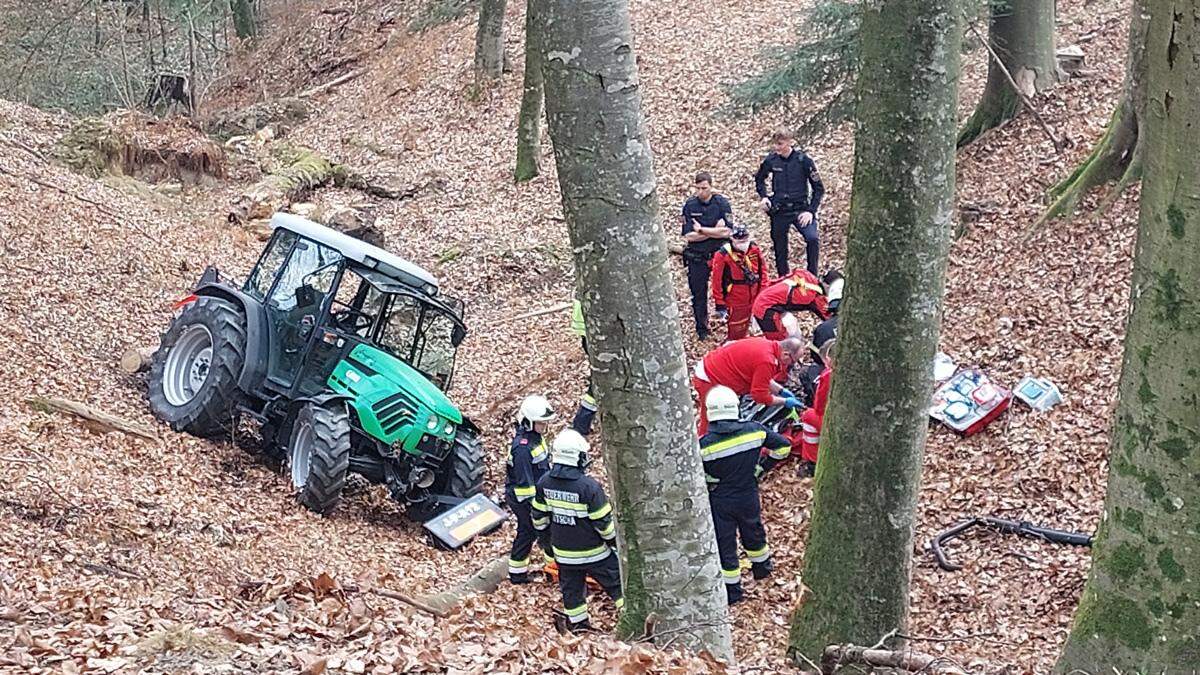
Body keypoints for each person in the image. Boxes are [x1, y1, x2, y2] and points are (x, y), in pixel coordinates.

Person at [699, 386, 791, 604]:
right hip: (748, 492)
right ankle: (762, 570)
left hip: (720, 498)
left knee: (725, 542)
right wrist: (761, 468)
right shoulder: (755, 431)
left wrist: (712, 481)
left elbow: (696, 476)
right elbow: (783, 447)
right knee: (754, 531)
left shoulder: (703, 446)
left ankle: (732, 592)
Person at [532, 429, 623, 632]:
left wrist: (547, 545)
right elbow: (605, 525)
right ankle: (629, 619)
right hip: (595, 553)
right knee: (618, 585)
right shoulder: (589, 488)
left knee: (572, 592)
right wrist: (615, 545)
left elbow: (539, 519)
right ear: (577, 457)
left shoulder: (544, 483)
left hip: (564, 555)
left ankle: (580, 627)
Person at [692, 336, 806, 436]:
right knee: (711, 419)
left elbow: (761, 377)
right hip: (710, 377)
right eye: (793, 361)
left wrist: (780, 390)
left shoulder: (768, 345)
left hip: (713, 367)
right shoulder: (768, 361)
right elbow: (759, 396)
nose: (792, 364)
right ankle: (701, 449)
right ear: (786, 354)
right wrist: (784, 401)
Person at [754, 127, 825, 276]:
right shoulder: (771, 160)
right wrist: (764, 197)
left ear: (789, 142)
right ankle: (783, 279)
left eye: (780, 144)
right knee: (780, 248)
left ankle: (812, 276)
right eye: (775, 144)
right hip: (780, 210)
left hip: (801, 208)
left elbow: (818, 188)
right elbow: (759, 179)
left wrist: (811, 211)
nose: (777, 147)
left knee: (812, 239)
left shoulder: (803, 160)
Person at [505, 395, 555, 584]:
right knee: (530, 530)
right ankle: (518, 575)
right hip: (523, 497)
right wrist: (537, 507)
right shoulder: (522, 448)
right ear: (528, 421)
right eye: (541, 423)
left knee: (539, 530)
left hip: (536, 494)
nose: (544, 426)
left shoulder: (536, 439)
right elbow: (524, 485)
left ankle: (550, 568)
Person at [680, 172, 734, 341]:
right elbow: (688, 236)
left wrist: (702, 230)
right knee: (698, 294)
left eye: (704, 188)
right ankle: (702, 329)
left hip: (720, 256)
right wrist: (713, 232)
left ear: (711, 186)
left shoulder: (721, 203)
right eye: (698, 188)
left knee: (730, 289)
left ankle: (731, 322)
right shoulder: (690, 206)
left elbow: (727, 231)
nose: (701, 192)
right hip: (697, 256)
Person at [710, 224, 767, 342]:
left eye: (745, 240)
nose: (743, 243)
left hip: (755, 293)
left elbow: (763, 272)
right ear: (732, 240)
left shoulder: (754, 249)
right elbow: (717, 281)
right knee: (737, 328)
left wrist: (763, 293)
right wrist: (720, 303)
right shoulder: (723, 255)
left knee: (758, 326)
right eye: (740, 240)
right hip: (736, 297)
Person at [752, 269, 838, 341]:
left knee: (794, 335)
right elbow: (831, 319)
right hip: (766, 309)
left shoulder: (805, 275)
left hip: (765, 298)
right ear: (827, 286)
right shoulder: (815, 297)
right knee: (781, 343)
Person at [799, 339, 836, 477]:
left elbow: (819, 407)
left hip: (838, 421)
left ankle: (812, 462)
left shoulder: (828, 375)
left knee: (808, 416)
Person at [569, 300, 597, 436]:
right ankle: (581, 423)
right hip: (593, 334)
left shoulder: (586, 283)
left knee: (596, 382)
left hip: (588, 333)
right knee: (596, 385)